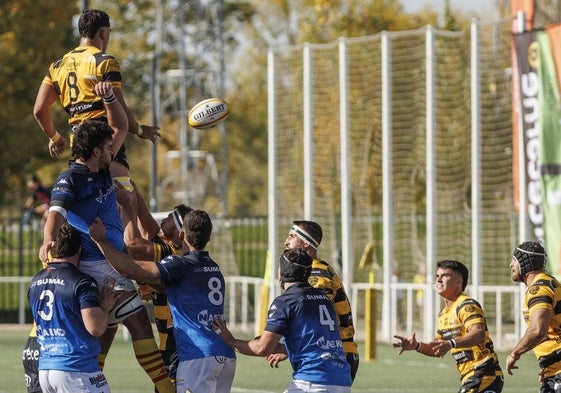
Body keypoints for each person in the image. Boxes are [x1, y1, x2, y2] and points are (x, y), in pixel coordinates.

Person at [38, 120, 175, 393]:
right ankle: (166, 388)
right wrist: (48, 239)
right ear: (94, 151)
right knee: (139, 326)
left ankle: (92, 379)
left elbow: (120, 128)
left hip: (113, 261)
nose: (113, 151)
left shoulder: (100, 169)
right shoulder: (70, 179)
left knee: (103, 339)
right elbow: (55, 212)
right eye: (108, 148)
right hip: (97, 265)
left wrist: (112, 100)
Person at [88, 209, 236, 393]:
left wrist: (100, 241)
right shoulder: (213, 267)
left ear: (181, 234)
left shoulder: (181, 264)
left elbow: (132, 269)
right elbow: (177, 289)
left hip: (198, 355)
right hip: (225, 354)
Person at [32, 8, 160, 184]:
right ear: (103, 32)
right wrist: (140, 130)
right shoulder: (105, 61)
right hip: (106, 138)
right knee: (123, 198)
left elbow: (39, 110)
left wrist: (54, 137)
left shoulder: (57, 66)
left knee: (122, 196)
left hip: (79, 143)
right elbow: (120, 110)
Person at [211, 248, 352, 393]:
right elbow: (311, 343)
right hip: (342, 381)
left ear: (282, 272)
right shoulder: (324, 300)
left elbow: (262, 348)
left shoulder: (286, 302)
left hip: (313, 382)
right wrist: (281, 348)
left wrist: (230, 340)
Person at [28, 222, 118, 393]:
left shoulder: (35, 281)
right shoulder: (82, 281)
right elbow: (96, 328)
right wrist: (105, 306)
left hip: (45, 369)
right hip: (75, 368)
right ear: (79, 250)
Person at [117, 180, 192, 384]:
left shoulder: (174, 252)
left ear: (178, 232)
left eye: (169, 218)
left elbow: (133, 243)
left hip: (176, 341)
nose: (163, 220)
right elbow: (147, 224)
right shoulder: (169, 246)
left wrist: (126, 207)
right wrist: (136, 193)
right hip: (171, 341)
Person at [393, 260, 504, 393]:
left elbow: (479, 334)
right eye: (437, 276)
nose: (439, 279)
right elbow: (438, 348)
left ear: (459, 281)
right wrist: (417, 346)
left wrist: (451, 343)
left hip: (484, 373)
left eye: (445, 275)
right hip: (472, 377)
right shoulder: (443, 315)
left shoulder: (466, 305)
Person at [282, 220, 359, 381]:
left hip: (336, 354)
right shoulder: (312, 269)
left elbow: (316, 316)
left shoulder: (317, 273)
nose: (286, 242)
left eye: (292, 236)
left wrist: (281, 343)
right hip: (333, 352)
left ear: (305, 244)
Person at [505, 241, 561, 392]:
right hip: (554, 369)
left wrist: (514, 353)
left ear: (525, 262)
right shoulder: (550, 282)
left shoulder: (539, 288)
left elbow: (538, 331)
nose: (511, 264)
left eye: (514, 260)